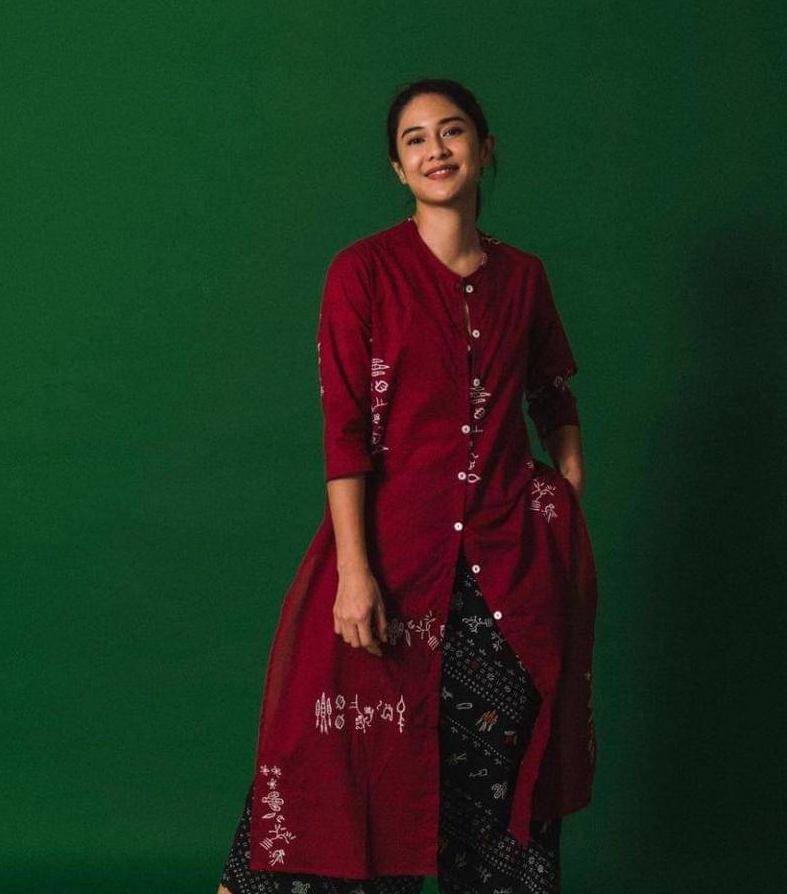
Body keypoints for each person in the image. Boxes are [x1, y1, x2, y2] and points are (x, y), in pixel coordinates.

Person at [217, 78, 598, 894]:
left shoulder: (523, 278)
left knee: (495, 774)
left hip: (506, 568)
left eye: (452, 132)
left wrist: (566, 486)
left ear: (485, 150)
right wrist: (354, 572)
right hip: (392, 563)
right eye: (415, 139)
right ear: (397, 167)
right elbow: (346, 431)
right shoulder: (363, 272)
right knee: (339, 757)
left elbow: (552, 393)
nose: (436, 150)